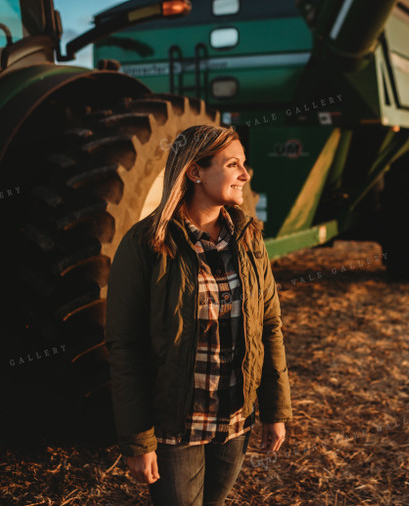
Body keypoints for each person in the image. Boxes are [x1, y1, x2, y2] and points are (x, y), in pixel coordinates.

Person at [104, 124, 292, 505]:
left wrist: (275, 410)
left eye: (244, 164)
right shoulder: (146, 245)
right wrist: (139, 440)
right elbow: (125, 345)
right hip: (176, 428)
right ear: (195, 172)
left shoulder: (250, 239)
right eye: (233, 164)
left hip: (235, 421)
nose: (245, 174)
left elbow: (269, 326)